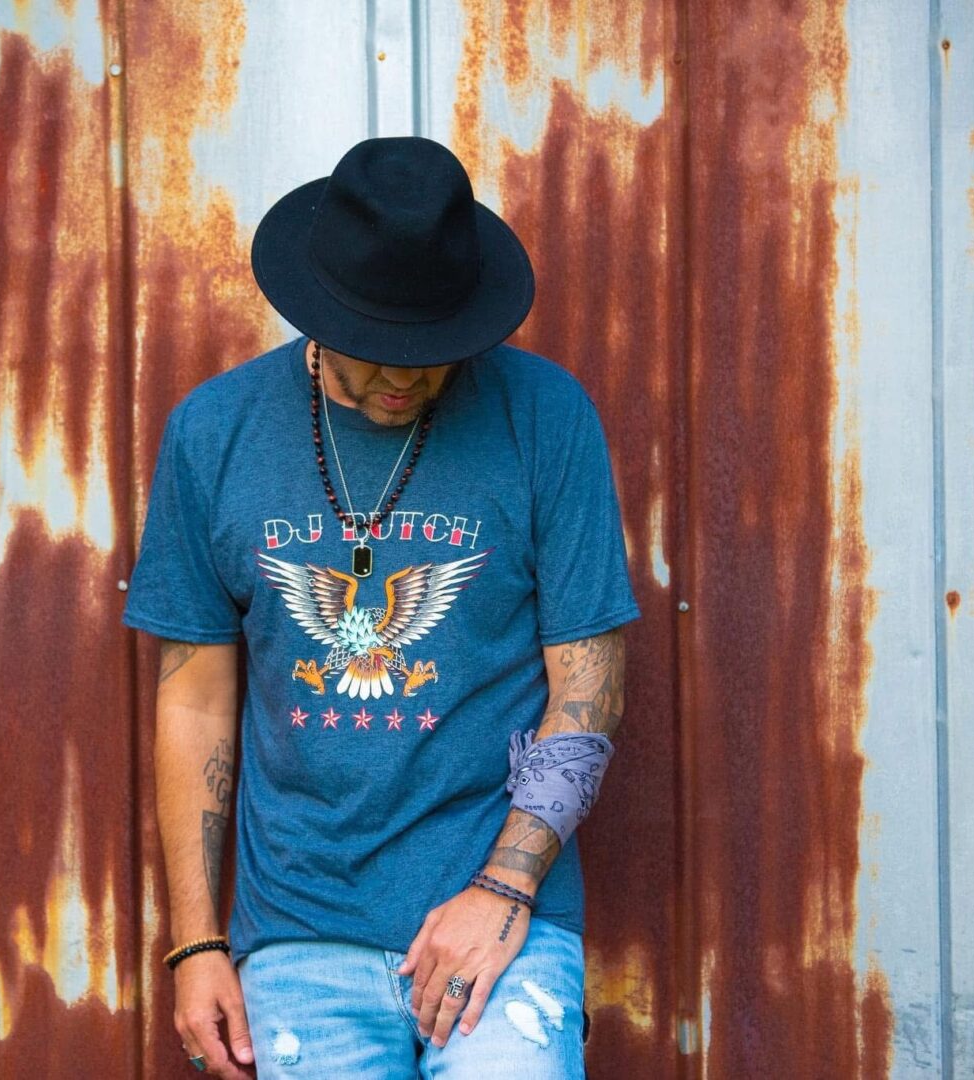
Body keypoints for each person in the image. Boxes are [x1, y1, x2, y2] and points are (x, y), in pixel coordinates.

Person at [122, 135, 638, 1079]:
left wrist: (503, 888)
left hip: (500, 927)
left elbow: (588, 690)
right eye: (380, 350)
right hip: (301, 932)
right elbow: (194, 702)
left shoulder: (544, 415)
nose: (407, 377)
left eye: (435, 351)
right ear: (321, 312)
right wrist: (196, 944)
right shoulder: (215, 432)